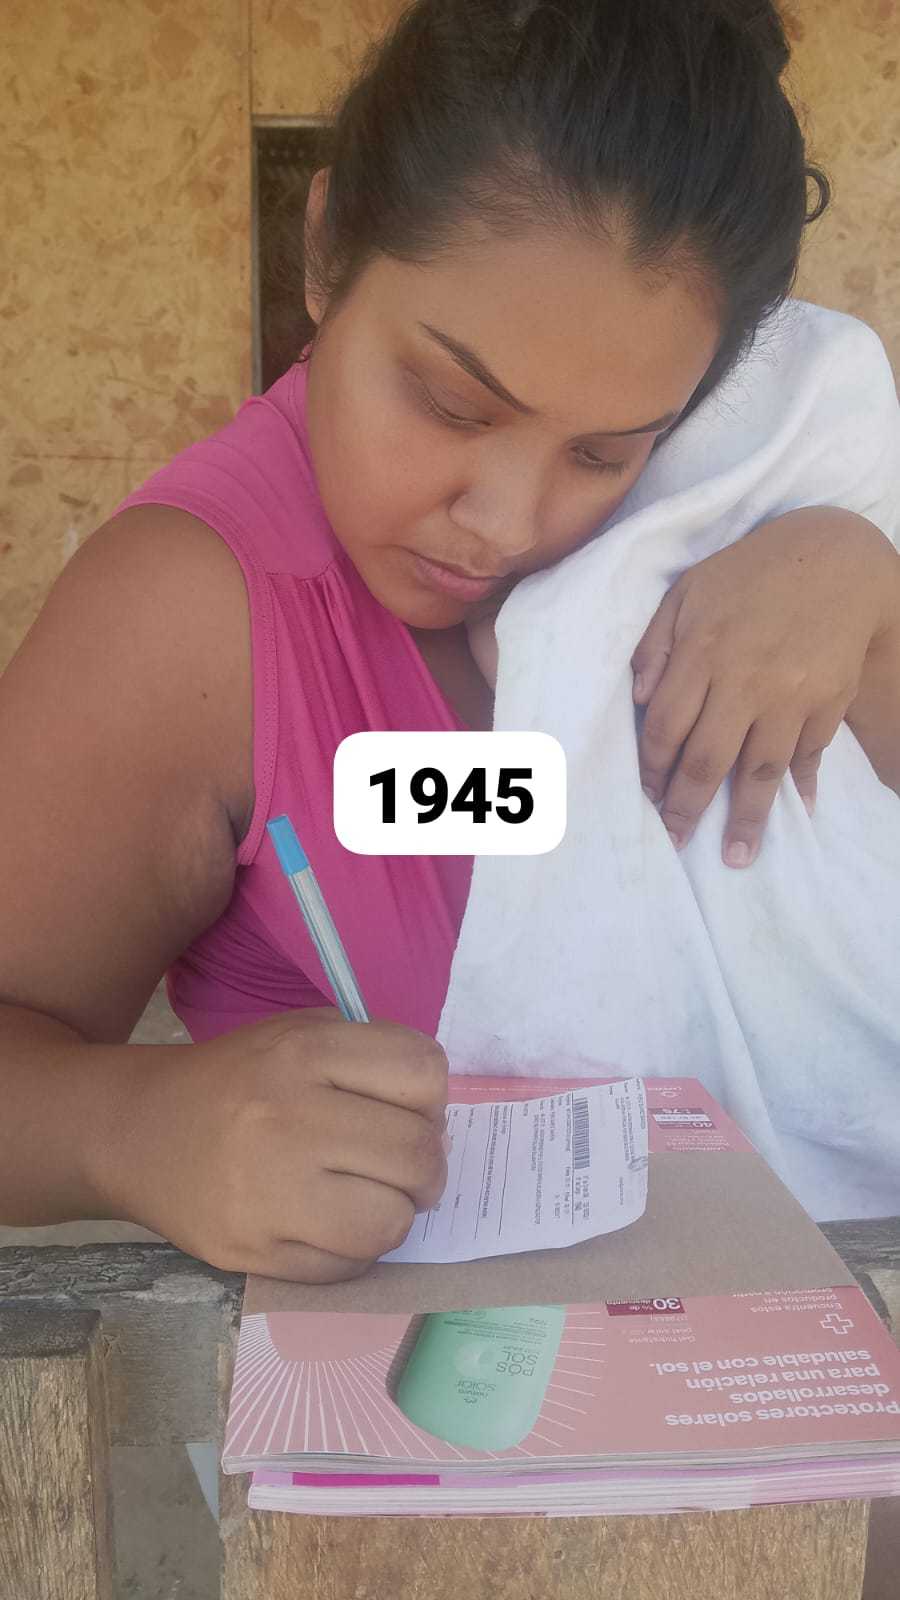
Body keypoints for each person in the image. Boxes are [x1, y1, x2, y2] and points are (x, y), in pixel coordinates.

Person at [1, 0, 898, 1283]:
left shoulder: (735, 486)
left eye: (602, 453)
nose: (507, 523)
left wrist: (868, 598)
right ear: (326, 250)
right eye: (450, 402)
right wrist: (132, 1126)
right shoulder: (194, 620)